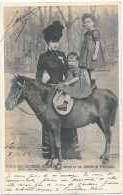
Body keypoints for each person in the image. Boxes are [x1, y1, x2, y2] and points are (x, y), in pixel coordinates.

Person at [35, 21, 81, 159]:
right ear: (47, 43)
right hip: (50, 89)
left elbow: (68, 72)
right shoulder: (43, 57)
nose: (55, 44)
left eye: (57, 41)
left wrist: (72, 82)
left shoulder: (62, 55)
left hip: (63, 87)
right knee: (49, 119)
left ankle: (69, 151)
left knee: (68, 114)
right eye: (52, 41)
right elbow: (38, 76)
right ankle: (50, 152)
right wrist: (41, 89)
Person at [79, 13, 105, 89]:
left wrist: (95, 54)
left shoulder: (95, 32)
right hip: (87, 53)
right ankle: (91, 84)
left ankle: (93, 85)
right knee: (88, 69)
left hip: (91, 52)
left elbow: (97, 43)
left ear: (94, 22)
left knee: (92, 69)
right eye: (85, 22)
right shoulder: (86, 33)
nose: (86, 24)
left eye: (88, 22)